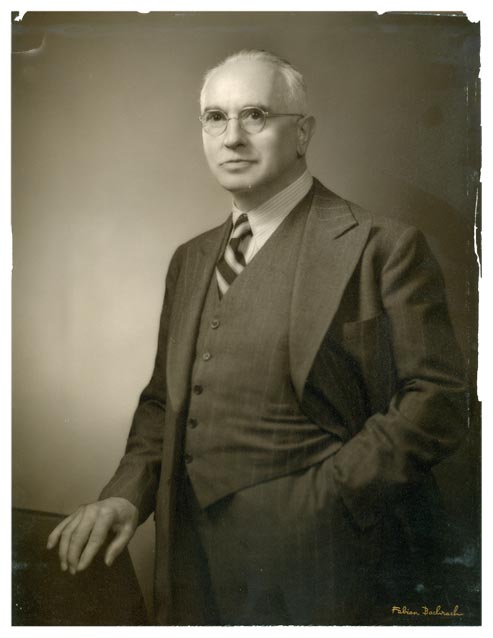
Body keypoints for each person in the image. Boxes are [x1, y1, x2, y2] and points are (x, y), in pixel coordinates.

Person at [47, 49, 466, 625]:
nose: (232, 137)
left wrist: (329, 498)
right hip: (189, 555)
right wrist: (124, 495)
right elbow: (166, 402)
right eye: (214, 118)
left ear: (302, 133)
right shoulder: (190, 259)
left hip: (326, 559)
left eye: (255, 115)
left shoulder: (383, 246)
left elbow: (438, 401)